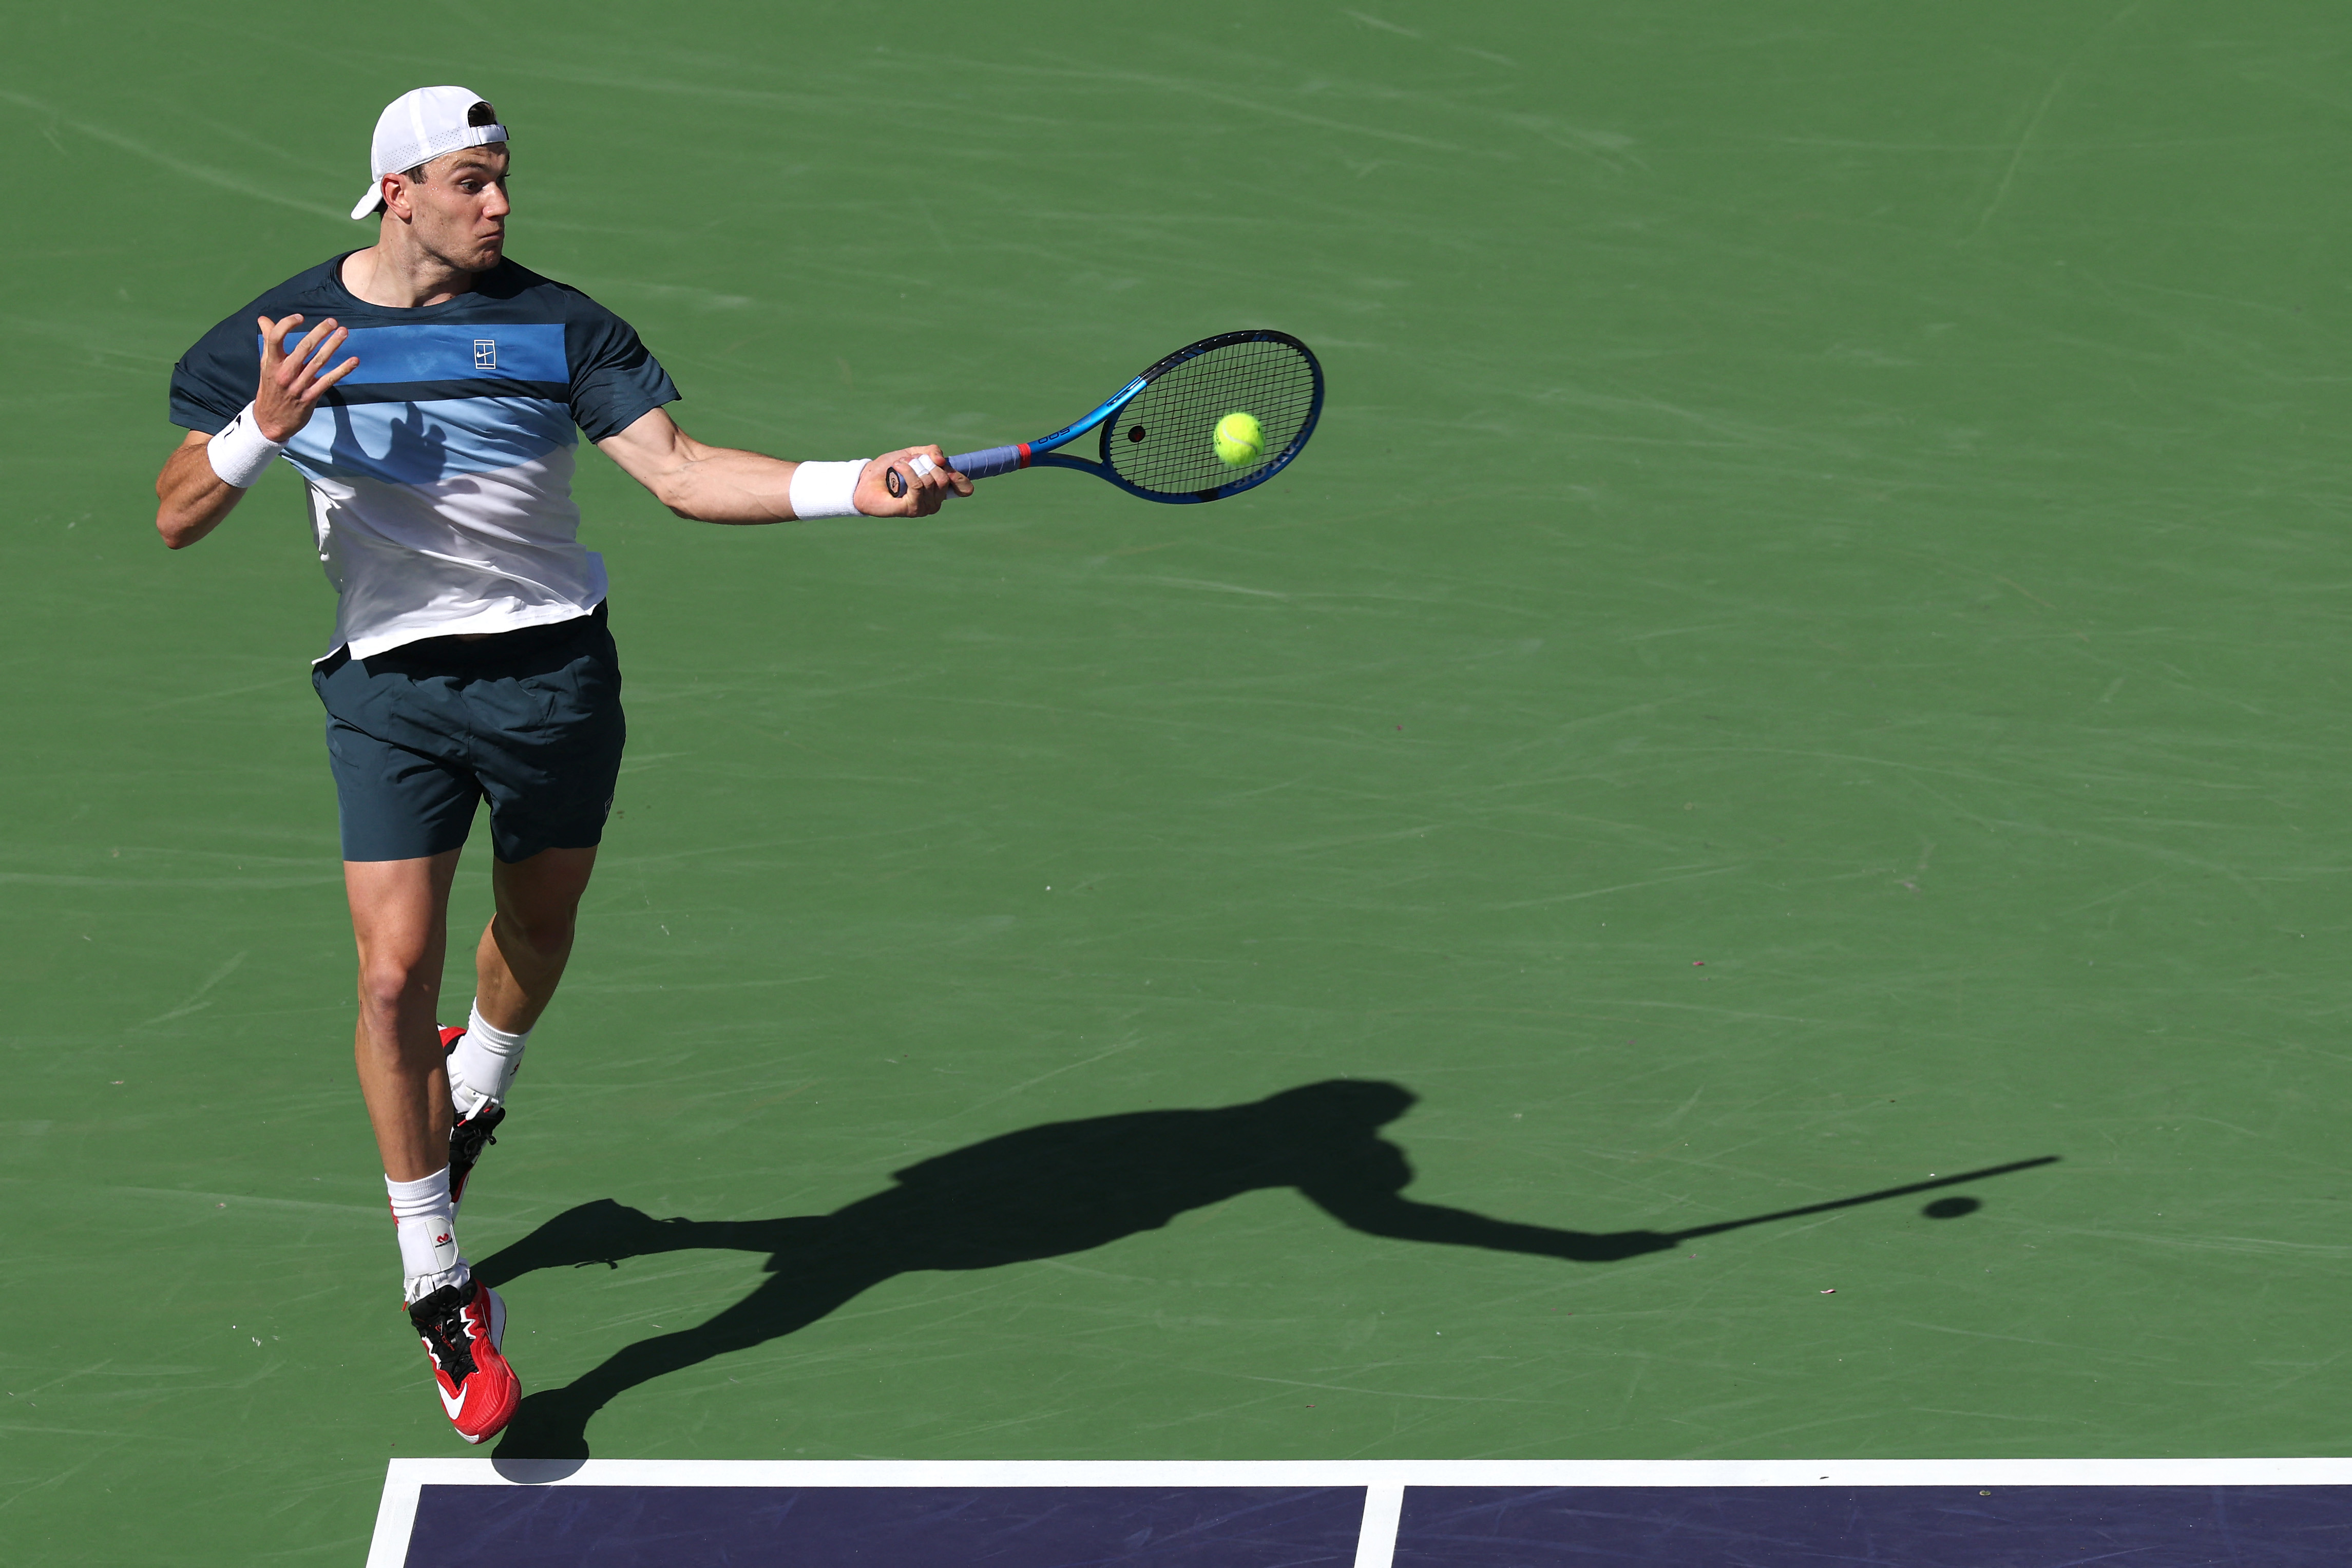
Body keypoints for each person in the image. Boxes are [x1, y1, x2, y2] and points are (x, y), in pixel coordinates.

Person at [153, 85, 969, 1446]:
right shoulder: (276, 336)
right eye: (471, 182)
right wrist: (262, 425)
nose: (499, 204)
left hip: (553, 678)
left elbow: (683, 473)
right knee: (390, 977)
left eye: (504, 179)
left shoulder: (560, 326)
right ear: (398, 194)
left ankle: (480, 1082)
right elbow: (178, 515)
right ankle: (438, 1279)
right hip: (392, 691)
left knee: (535, 928)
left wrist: (854, 483)